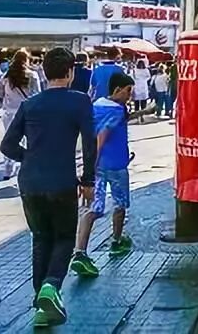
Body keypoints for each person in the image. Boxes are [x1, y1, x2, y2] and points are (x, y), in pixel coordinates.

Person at [0, 47, 97, 328]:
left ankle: (42, 307)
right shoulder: (79, 102)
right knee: (65, 237)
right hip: (62, 181)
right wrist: (88, 179)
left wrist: (28, 157)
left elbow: (6, 145)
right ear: (70, 73)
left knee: (41, 238)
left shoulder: (30, 104)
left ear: (44, 72)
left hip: (29, 181)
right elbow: (90, 145)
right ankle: (51, 286)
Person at [71, 72, 144, 278]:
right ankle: (117, 240)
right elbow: (102, 136)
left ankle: (80, 251)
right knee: (120, 204)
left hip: (98, 166)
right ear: (117, 89)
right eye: (128, 91)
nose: (130, 95)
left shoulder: (97, 105)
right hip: (116, 165)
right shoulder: (117, 110)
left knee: (93, 207)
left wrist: (89, 168)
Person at [0, 49, 42, 180]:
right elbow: (37, 94)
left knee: (10, 139)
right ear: (26, 61)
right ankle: (25, 165)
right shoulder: (32, 75)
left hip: (9, 113)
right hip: (27, 112)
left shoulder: (6, 76)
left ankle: (8, 167)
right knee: (27, 140)